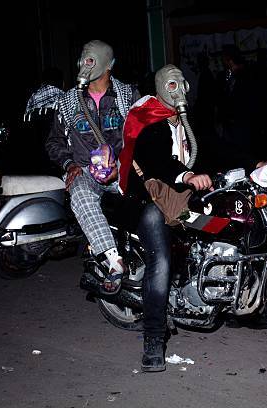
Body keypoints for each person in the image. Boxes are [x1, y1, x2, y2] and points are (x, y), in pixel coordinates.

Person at [119, 64, 213, 372]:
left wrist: (257, 160)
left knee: (222, 225)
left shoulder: (186, 121)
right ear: (161, 88)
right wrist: (186, 174)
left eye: (181, 84)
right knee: (160, 261)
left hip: (179, 200)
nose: (178, 90)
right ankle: (153, 340)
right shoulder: (148, 120)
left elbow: (215, 144)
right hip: (148, 201)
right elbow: (156, 159)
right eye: (171, 85)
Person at [46, 40, 139, 294]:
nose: (86, 63)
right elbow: (54, 141)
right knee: (79, 192)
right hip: (87, 171)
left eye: (92, 58)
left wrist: (122, 164)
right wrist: (70, 163)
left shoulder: (128, 96)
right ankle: (113, 261)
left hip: (123, 171)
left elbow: (143, 136)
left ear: (109, 64)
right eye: (84, 58)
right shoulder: (68, 101)